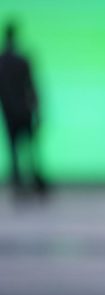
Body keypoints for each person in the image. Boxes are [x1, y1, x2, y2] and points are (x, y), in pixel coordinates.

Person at [0, 22, 45, 197]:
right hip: (23, 111)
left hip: (10, 112)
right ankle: (34, 184)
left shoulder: (3, 61)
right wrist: (37, 110)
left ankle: (20, 186)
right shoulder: (21, 60)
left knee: (16, 151)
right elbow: (31, 87)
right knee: (30, 150)